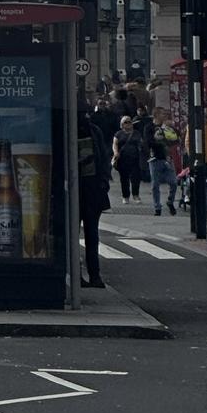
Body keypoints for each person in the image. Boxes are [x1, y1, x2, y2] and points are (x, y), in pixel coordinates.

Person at [78, 100, 112, 287]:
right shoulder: (86, 131)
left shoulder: (93, 132)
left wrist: (103, 182)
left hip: (91, 189)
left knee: (91, 235)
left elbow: (103, 159)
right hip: (82, 188)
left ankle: (93, 274)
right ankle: (84, 275)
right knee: (84, 236)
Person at [112, 115, 143, 204]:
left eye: (129, 121)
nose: (128, 123)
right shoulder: (118, 134)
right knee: (124, 179)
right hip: (123, 160)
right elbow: (115, 144)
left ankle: (136, 195)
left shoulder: (137, 133)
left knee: (136, 178)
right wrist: (115, 152)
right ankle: (125, 196)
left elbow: (141, 143)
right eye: (126, 122)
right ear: (122, 124)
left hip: (135, 159)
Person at [147, 127, 176, 215]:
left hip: (167, 160)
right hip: (155, 161)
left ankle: (170, 201)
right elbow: (148, 142)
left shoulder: (168, 129)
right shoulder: (149, 127)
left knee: (173, 182)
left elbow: (175, 139)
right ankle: (157, 207)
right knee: (155, 185)